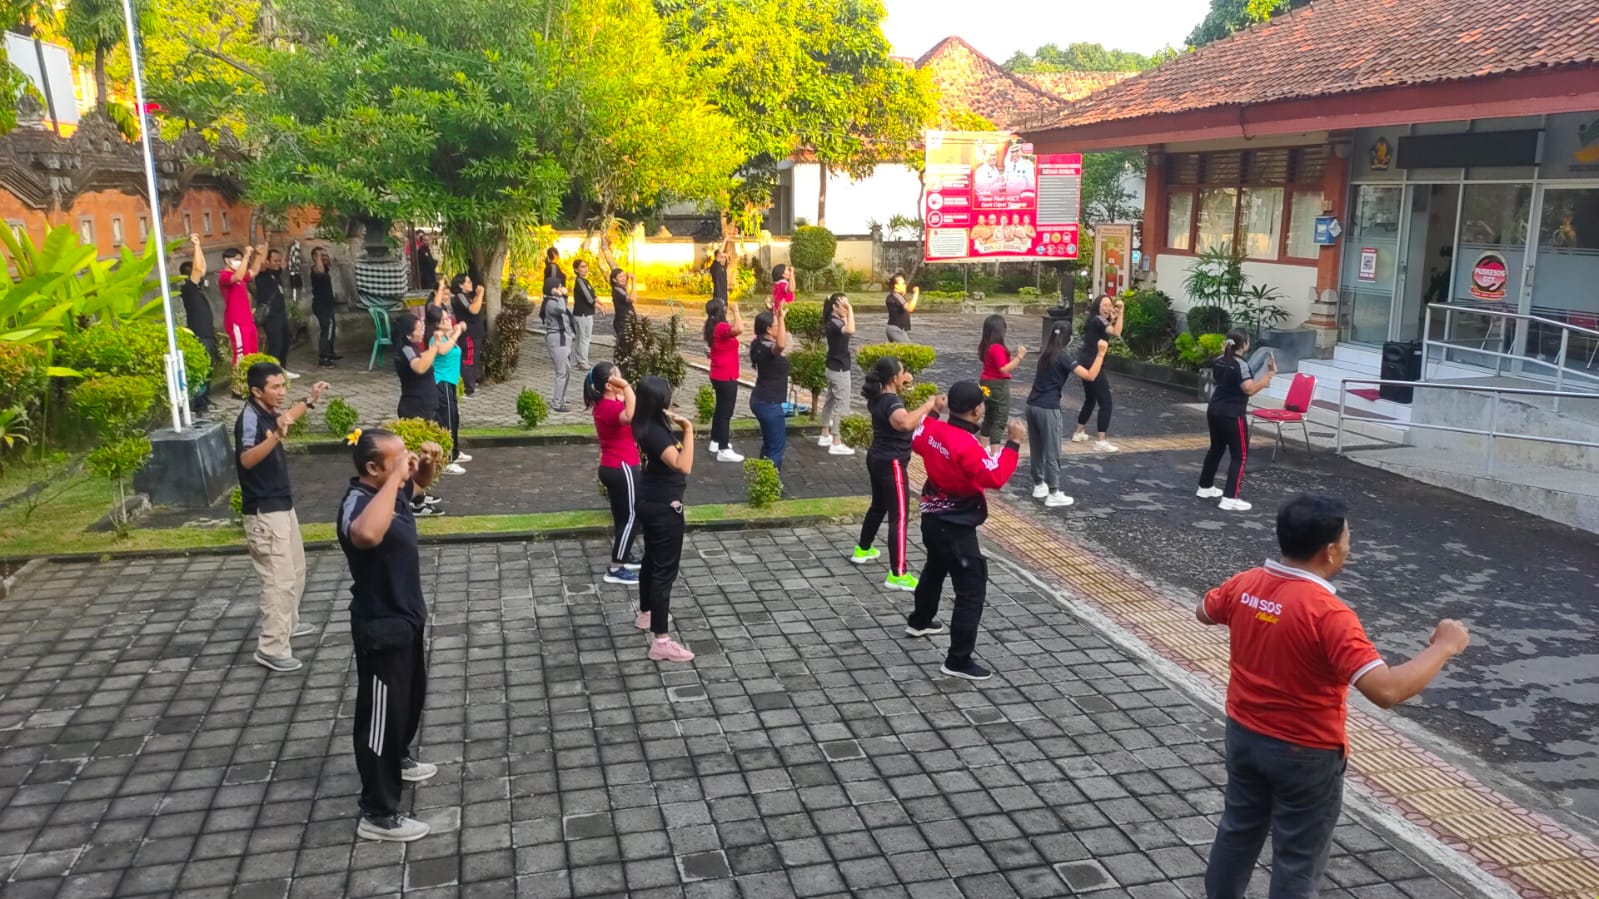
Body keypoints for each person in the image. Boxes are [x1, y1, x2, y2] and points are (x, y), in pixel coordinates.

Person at [1198, 495, 1471, 898]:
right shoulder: (1328, 614)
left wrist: (1260, 613)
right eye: (1347, 538)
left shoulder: (1247, 582)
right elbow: (1386, 689)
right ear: (1329, 551)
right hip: (1305, 754)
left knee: (1237, 830)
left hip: (1243, 735)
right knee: (1297, 862)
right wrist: (1444, 647)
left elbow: (1204, 612)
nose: (1349, 546)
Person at [337, 427, 446, 843]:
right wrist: (398, 477)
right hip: (380, 625)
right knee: (380, 718)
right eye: (397, 458)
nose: (407, 461)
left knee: (408, 700)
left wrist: (426, 465)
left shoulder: (391, 491)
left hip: (406, 617)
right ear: (372, 468)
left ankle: (398, 757)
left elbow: (417, 488)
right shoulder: (358, 502)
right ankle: (378, 813)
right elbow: (365, 535)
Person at [907, 381, 1021, 681]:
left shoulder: (933, 429)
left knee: (934, 568)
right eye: (981, 404)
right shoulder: (965, 443)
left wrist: (933, 411)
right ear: (975, 411)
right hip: (956, 524)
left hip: (932, 517)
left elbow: (917, 439)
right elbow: (994, 477)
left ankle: (920, 621)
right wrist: (1013, 444)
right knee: (971, 590)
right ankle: (958, 659)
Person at [235, 362, 330, 672]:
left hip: (281, 504)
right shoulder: (249, 418)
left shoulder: (267, 411)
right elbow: (246, 459)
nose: (281, 392)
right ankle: (271, 647)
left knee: (296, 570)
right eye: (275, 387)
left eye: (283, 385)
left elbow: (285, 419)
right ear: (256, 391)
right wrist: (275, 437)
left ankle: (288, 624)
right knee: (278, 581)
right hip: (264, 511)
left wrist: (309, 401)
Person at [853, 356, 939, 591]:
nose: (906, 375)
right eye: (902, 372)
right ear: (893, 378)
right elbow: (904, 423)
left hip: (876, 458)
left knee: (878, 506)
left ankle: (863, 549)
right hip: (892, 464)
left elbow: (898, 406)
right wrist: (928, 405)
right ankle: (898, 574)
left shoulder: (877, 395)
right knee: (899, 517)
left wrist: (904, 383)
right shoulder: (891, 402)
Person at [632, 375, 697, 662]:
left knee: (651, 560)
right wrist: (689, 430)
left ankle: (646, 613)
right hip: (664, 507)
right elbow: (683, 465)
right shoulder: (657, 433)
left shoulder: (644, 422)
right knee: (664, 572)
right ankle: (661, 641)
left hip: (649, 499)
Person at [1024, 327, 1108, 508]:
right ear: (1068, 338)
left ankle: (1039, 484)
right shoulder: (1063, 357)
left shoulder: (1046, 354)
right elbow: (1090, 376)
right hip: (1048, 408)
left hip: (1032, 405)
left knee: (1037, 448)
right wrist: (1101, 354)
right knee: (1052, 450)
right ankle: (1053, 492)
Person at [1200, 330, 1277, 513]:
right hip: (1233, 414)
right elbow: (1248, 389)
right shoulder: (1241, 364)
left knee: (1216, 449)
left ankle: (1205, 487)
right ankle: (1230, 498)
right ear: (1244, 344)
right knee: (1239, 456)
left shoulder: (1219, 360)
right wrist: (1269, 374)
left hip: (1214, 409)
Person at [392, 313, 454, 518]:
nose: (422, 331)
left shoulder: (413, 347)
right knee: (417, 457)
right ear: (408, 334)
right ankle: (414, 501)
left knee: (425, 455)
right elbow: (419, 367)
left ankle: (418, 492)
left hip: (425, 406)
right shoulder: (406, 350)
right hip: (415, 408)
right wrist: (435, 346)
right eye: (419, 329)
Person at [585, 362, 642, 586]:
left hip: (614, 466)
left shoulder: (605, 403)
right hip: (622, 466)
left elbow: (628, 404)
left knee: (622, 517)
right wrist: (627, 387)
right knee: (633, 516)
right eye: (618, 376)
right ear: (610, 384)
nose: (623, 378)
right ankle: (616, 568)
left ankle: (624, 555)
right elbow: (630, 415)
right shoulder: (609, 407)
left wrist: (624, 390)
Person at [425, 283, 469, 473]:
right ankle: (447, 459)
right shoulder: (435, 338)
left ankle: (455, 452)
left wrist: (457, 328)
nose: (449, 321)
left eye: (448, 318)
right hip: (441, 382)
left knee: (454, 418)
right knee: (447, 421)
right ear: (437, 324)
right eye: (445, 320)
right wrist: (457, 332)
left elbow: (450, 337)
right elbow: (442, 350)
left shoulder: (445, 335)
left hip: (450, 382)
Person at [1072, 294, 1123, 451]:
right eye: (1104, 305)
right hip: (1093, 364)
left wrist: (1114, 315)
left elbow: (1109, 324)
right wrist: (1121, 312)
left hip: (1085, 362)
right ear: (1098, 307)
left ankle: (1079, 432)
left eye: (1109, 304)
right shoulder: (1099, 320)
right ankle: (1101, 441)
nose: (1108, 307)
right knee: (1106, 402)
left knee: (1091, 399)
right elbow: (1116, 332)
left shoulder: (1095, 320)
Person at [748, 307, 791, 472]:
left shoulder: (759, 343)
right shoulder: (768, 348)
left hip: (761, 400)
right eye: (776, 326)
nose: (780, 328)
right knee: (776, 447)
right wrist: (781, 318)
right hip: (769, 403)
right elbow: (781, 344)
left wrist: (779, 318)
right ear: (768, 329)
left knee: (769, 444)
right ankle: (771, 480)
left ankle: (762, 478)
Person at [703, 299, 746, 463]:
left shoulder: (712, 325)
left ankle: (715, 441)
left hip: (718, 373)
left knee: (720, 410)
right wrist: (736, 311)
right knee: (725, 413)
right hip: (726, 375)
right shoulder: (720, 327)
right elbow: (739, 328)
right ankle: (724, 448)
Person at [977, 314, 1026, 454]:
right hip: (997, 385)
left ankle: (982, 448)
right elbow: (1004, 369)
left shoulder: (987, 346)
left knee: (989, 416)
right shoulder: (997, 348)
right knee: (999, 418)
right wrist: (1019, 356)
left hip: (986, 383)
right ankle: (994, 453)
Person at [178, 235, 216, 414]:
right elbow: (199, 268)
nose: (202, 274)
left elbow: (202, 267)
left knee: (208, 370)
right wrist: (196, 245)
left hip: (207, 333)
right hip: (199, 334)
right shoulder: (189, 289)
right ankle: (199, 405)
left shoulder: (197, 288)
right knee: (202, 371)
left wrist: (199, 248)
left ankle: (205, 400)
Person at [817, 293, 857, 455]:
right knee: (841, 404)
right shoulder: (835, 323)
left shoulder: (831, 320)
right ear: (834, 307)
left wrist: (846, 312)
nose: (846, 308)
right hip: (840, 368)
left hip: (832, 366)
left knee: (830, 400)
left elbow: (847, 325)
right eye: (843, 305)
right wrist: (851, 309)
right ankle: (836, 441)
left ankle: (824, 433)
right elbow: (851, 330)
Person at [257, 248, 297, 378]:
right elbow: (261, 263)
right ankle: (271, 372)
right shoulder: (262, 274)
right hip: (270, 316)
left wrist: (288, 250)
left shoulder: (276, 273)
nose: (278, 263)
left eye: (279, 261)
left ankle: (282, 369)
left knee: (285, 341)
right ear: (267, 261)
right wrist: (265, 244)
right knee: (276, 343)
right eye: (275, 261)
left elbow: (284, 263)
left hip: (281, 314)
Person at [540, 272, 576, 413]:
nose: (562, 288)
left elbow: (565, 309)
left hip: (563, 339)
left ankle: (562, 398)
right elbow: (561, 309)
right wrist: (559, 295)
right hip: (557, 339)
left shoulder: (554, 300)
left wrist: (563, 296)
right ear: (553, 288)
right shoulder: (550, 303)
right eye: (559, 286)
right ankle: (556, 403)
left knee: (567, 371)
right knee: (561, 372)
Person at [219, 245, 259, 369]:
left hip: (247, 320)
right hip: (236, 321)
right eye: (237, 259)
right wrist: (246, 256)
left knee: (252, 352)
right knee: (241, 355)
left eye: (241, 260)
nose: (240, 262)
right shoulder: (224, 276)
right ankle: (239, 379)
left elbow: (253, 272)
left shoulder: (240, 275)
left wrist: (258, 255)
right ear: (227, 261)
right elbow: (237, 277)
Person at [450, 274, 487, 395]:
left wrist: (477, 295)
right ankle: (467, 387)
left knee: (473, 358)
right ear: (461, 285)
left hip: (475, 332)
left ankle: (471, 383)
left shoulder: (465, 296)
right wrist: (481, 294)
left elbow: (474, 306)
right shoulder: (460, 296)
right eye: (468, 282)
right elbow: (473, 309)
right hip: (468, 334)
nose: (471, 284)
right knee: (468, 359)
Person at [600, 237, 636, 336]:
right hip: (623, 323)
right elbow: (632, 298)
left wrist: (628, 279)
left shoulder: (620, 288)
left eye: (624, 276)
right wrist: (634, 281)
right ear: (614, 280)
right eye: (620, 277)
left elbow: (625, 290)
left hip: (627, 321)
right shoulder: (617, 290)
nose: (623, 278)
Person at [570, 258, 601, 373]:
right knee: (584, 338)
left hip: (587, 313)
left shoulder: (585, 281)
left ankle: (577, 360)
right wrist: (599, 306)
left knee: (581, 338)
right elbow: (589, 298)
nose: (585, 269)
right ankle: (582, 362)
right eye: (582, 267)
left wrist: (600, 303)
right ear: (576, 270)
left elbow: (593, 295)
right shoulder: (579, 282)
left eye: (586, 266)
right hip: (582, 314)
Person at [311, 247, 339, 368]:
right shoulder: (316, 269)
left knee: (331, 329)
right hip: (321, 306)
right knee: (327, 331)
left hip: (328, 305)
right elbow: (320, 270)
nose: (324, 257)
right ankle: (324, 358)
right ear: (315, 258)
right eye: (321, 255)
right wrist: (318, 256)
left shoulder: (325, 268)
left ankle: (330, 353)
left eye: (325, 255)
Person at [885, 273, 919, 343]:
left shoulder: (893, 296)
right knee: (909, 348)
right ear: (896, 286)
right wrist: (916, 294)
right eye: (903, 284)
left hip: (896, 329)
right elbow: (910, 308)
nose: (905, 285)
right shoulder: (897, 296)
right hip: (896, 330)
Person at [705, 236, 734, 304]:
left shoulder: (723, 267)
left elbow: (727, 256)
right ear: (717, 257)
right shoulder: (715, 266)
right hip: (718, 296)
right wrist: (725, 240)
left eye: (724, 257)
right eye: (721, 257)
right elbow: (720, 253)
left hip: (724, 296)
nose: (723, 259)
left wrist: (728, 243)